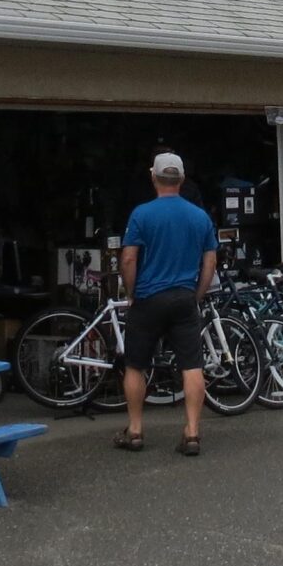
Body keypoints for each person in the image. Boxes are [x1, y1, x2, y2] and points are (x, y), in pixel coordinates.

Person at [116, 151, 218, 456]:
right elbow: (210, 261)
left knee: (136, 365)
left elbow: (129, 258)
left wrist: (132, 291)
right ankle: (192, 432)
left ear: (153, 177)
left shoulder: (141, 214)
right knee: (192, 365)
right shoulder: (200, 216)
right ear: (182, 179)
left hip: (148, 298)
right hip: (184, 298)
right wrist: (197, 295)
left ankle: (135, 430)